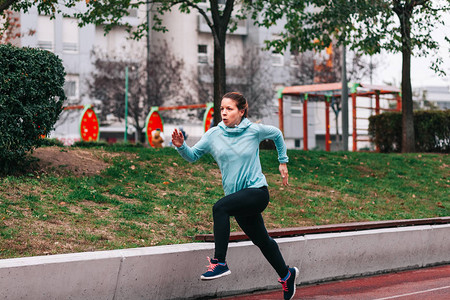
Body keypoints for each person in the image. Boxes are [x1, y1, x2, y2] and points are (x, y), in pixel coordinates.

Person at [172, 92, 298, 300]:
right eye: (222, 108)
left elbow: (276, 133)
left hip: (257, 192)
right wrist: (181, 146)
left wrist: (282, 161)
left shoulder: (253, 130)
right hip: (238, 199)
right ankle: (287, 274)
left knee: (220, 208)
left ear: (241, 111)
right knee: (262, 241)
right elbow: (193, 156)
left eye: (229, 109)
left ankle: (219, 262)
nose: (224, 112)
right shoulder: (213, 135)